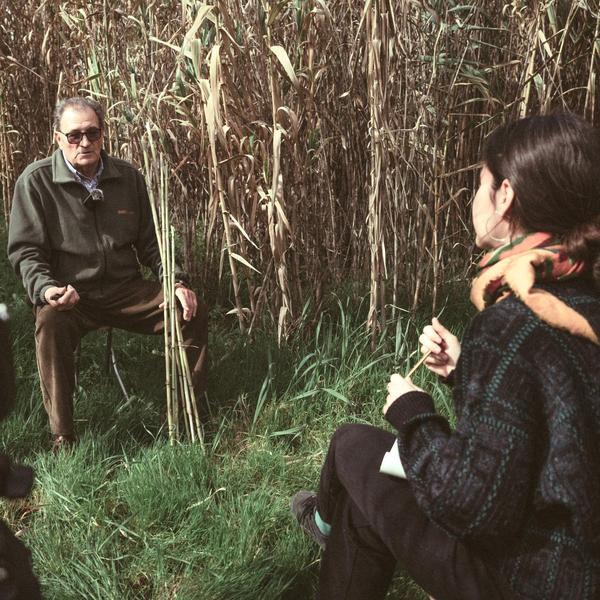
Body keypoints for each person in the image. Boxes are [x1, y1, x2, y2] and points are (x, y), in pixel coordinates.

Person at [291, 113, 600, 599]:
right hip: (578, 564)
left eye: (479, 184)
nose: (473, 199)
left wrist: (414, 415)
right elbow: (561, 420)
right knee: (364, 502)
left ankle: (323, 522)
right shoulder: (579, 300)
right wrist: (464, 369)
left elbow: (475, 508)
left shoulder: (509, 325)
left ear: (505, 197)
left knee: (353, 445)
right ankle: (331, 525)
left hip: (526, 578)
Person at [7, 97, 208, 451]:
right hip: (72, 295)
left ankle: (192, 415)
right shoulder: (36, 182)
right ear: (58, 138)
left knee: (188, 309)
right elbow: (27, 252)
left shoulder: (127, 177)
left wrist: (175, 281)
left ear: (103, 134)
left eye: (92, 133)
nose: (84, 142)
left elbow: (153, 243)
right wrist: (47, 289)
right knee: (50, 321)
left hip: (125, 290)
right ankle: (63, 435)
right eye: (74, 135)